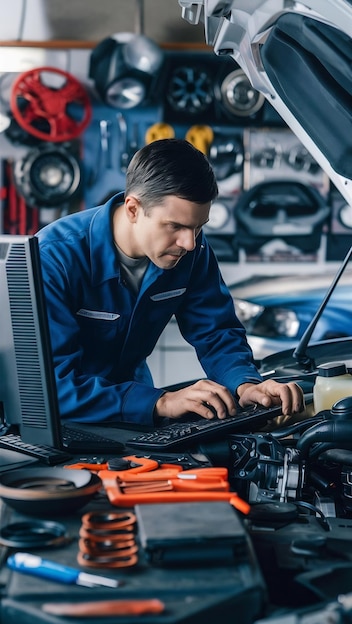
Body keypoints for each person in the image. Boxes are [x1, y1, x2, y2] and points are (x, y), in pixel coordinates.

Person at [36, 138, 304, 427]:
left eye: (198, 226)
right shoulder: (53, 258)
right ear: (133, 209)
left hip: (137, 410)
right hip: (67, 419)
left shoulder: (191, 251)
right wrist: (162, 401)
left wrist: (246, 385)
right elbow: (51, 383)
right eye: (175, 226)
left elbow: (216, 332)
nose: (189, 243)